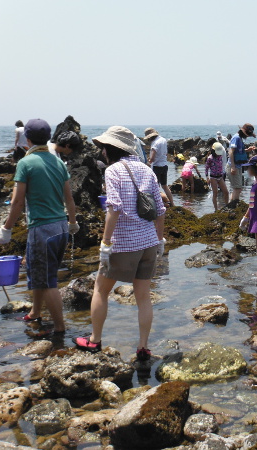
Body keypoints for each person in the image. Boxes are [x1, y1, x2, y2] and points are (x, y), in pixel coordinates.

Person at [73, 126, 166, 360]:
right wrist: (160, 239)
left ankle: (94, 341)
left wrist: (105, 243)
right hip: (148, 243)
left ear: (109, 149)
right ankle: (143, 347)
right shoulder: (147, 170)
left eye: (103, 148)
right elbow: (161, 208)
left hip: (124, 244)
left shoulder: (113, 171)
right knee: (143, 296)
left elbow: (113, 208)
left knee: (101, 290)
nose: (102, 152)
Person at [0, 118, 79, 334]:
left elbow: (17, 201)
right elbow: (69, 199)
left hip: (42, 230)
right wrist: (72, 222)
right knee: (41, 274)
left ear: (28, 138)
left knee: (48, 281)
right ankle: (35, 312)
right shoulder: (59, 162)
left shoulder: (25, 163)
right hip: (61, 228)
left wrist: (6, 229)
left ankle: (60, 328)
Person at [145, 128, 174, 207]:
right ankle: (172, 203)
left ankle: (159, 205)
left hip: (156, 167)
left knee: (155, 187)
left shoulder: (155, 143)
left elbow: (153, 158)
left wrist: (148, 162)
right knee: (165, 186)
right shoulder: (163, 140)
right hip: (164, 165)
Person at [227, 123, 256, 201]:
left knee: (237, 188)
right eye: (247, 135)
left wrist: (247, 150)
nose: (247, 136)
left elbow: (238, 152)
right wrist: (233, 167)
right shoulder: (236, 138)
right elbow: (231, 152)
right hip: (233, 166)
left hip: (238, 166)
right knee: (238, 188)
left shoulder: (240, 138)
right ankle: (234, 205)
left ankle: (231, 205)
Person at [206, 143, 230, 210]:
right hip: (213, 177)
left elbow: (222, 165)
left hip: (220, 177)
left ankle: (226, 206)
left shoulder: (220, 156)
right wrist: (207, 178)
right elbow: (206, 168)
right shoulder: (210, 158)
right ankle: (216, 209)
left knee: (226, 192)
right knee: (215, 193)